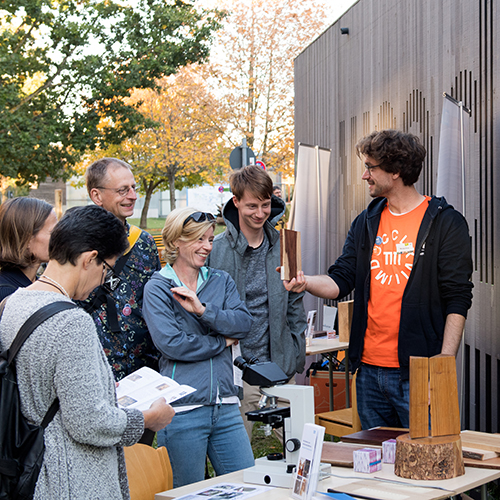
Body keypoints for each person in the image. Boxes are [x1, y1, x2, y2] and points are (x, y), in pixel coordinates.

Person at [285, 129, 473, 429]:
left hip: (420, 372)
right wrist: (305, 282)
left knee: (427, 462)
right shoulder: (366, 221)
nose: (364, 176)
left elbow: (458, 298)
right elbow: (341, 280)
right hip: (369, 372)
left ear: (395, 171)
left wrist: (441, 368)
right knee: (376, 469)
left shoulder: (445, 223)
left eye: (370, 167)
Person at [0, 205, 174, 500]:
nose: (102, 281)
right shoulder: (72, 321)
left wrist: (101, 386)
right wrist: (147, 418)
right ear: (89, 259)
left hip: (32, 470)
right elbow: (89, 423)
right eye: (107, 270)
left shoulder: (15, 302)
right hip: (71, 479)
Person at [143, 207, 255, 488]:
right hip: (182, 409)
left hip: (226, 406)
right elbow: (173, 345)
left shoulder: (221, 280)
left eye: (210, 239)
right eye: (199, 240)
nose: (207, 247)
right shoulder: (158, 288)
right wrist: (221, 341)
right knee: (186, 493)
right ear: (176, 242)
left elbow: (243, 323)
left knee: (247, 488)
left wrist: (203, 311)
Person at [207, 165, 307, 439]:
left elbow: (295, 305)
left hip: (280, 363)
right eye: (252, 206)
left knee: (297, 450)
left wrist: (297, 352)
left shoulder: (288, 246)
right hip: (237, 370)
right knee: (238, 458)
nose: (260, 213)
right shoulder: (215, 250)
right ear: (236, 201)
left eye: (265, 205)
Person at [84, 158, 161, 380]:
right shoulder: (75, 241)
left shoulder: (143, 242)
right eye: (122, 190)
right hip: (95, 368)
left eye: (133, 188)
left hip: (144, 367)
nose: (133, 196)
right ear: (96, 195)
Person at [0, 197, 57, 300]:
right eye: (53, 232)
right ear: (27, 240)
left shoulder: (34, 283)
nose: (59, 237)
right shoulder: (7, 294)